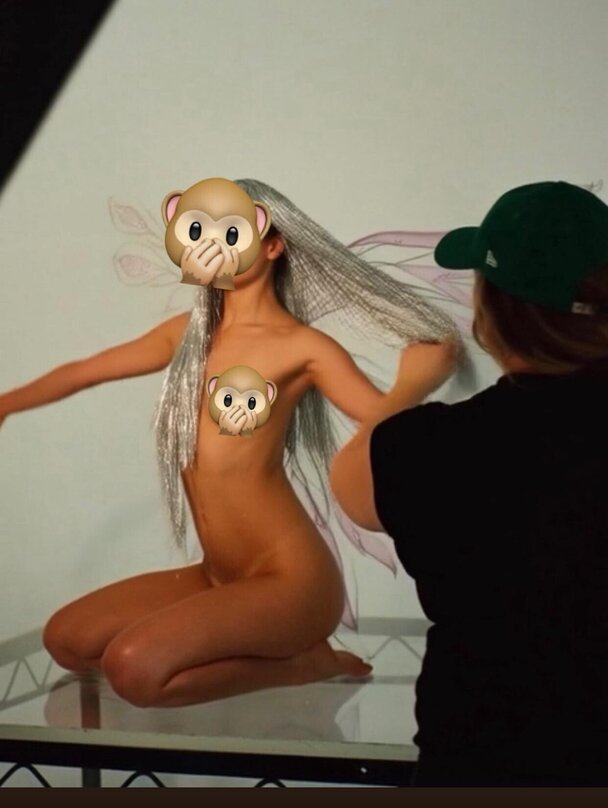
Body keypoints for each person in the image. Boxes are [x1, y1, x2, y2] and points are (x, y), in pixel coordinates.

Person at [0, 177, 458, 708]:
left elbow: (382, 431)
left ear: (272, 243)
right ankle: (249, 637)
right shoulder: (188, 334)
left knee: (134, 670)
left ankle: (308, 663)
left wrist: (415, 381)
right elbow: (86, 371)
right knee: (67, 641)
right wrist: (6, 403)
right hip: (217, 575)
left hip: (292, 581)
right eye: (196, 230)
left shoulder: (303, 347)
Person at [330, 180, 608, 786]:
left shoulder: (434, 448)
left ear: (491, 312)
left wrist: (408, 387)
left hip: (479, 763)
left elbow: (349, 483)